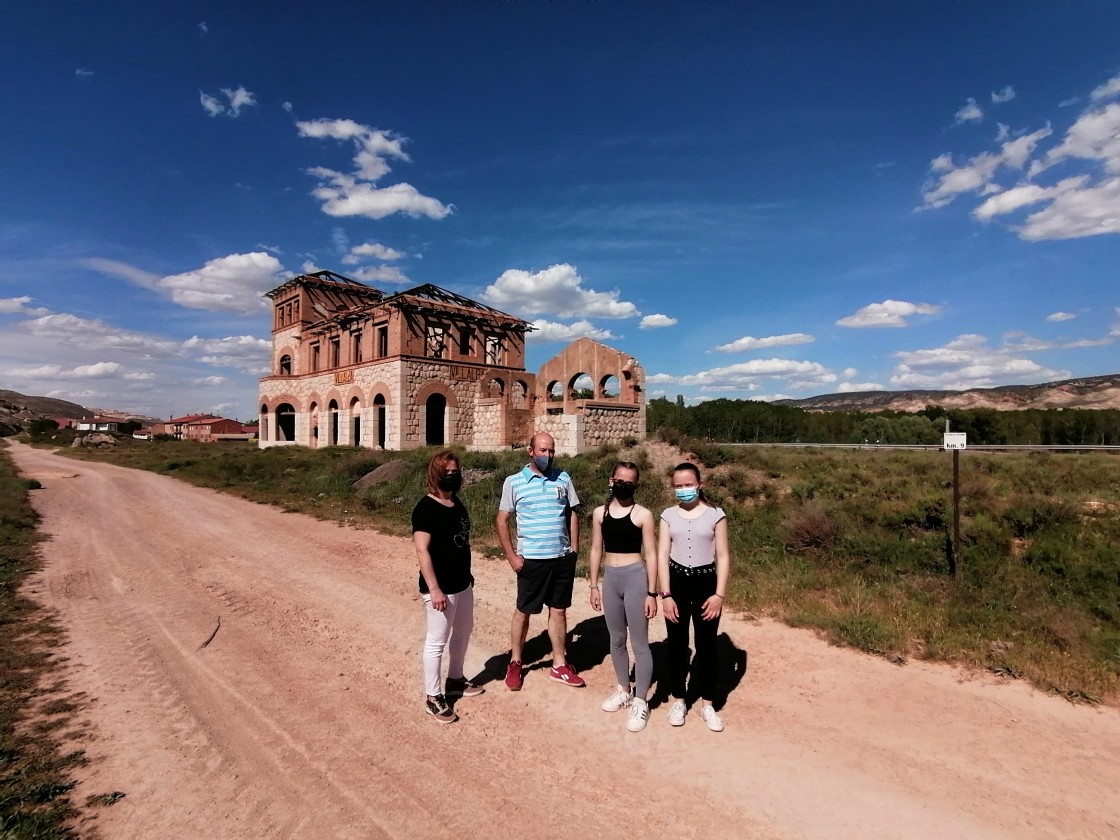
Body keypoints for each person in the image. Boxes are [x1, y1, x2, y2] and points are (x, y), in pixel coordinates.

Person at [497, 432, 585, 690]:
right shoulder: (514, 482)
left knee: (558, 610)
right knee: (524, 611)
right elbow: (502, 520)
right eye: (543, 450)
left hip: (560, 558)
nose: (548, 455)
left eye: (551, 451)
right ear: (530, 451)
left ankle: (559, 664)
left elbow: (572, 512)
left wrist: (574, 548)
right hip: (531, 561)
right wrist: (512, 556)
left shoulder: (563, 478)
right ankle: (515, 661)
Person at [658, 463, 730, 731]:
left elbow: (722, 556)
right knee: (677, 645)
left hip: (706, 584)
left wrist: (718, 594)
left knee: (707, 646)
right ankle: (679, 699)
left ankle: (708, 704)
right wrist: (665, 594)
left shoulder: (715, 515)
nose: (684, 489)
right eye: (678, 485)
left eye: (688, 484)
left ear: (699, 484)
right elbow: (663, 555)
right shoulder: (667, 515)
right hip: (676, 583)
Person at [413, 450, 483, 724]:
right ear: (435, 474)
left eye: (455, 471)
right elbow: (422, 551)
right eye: (446, 472)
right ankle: (433, 696)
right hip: (440, 588)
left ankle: (455, 678)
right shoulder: (425, 508)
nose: (451, 475)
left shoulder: (457, 503)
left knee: (464, 630)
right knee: (436, 641)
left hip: (462, 583)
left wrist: (468, 575)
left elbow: (462, 543)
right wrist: (434, 589)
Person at [589, 461, 658, 732]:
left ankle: (641, 701)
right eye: (620, 480)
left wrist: (653, 592)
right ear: (611, 480)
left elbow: (651, 553)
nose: (624, 485)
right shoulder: (599, 513)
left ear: (636, 485)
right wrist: (594, 585)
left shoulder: (643, 515)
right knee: (616, 639)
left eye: (629, 482)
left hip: (635, 578)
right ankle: (623, 689)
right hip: (611, 578)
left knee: (639, 643)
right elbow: (596, 549)